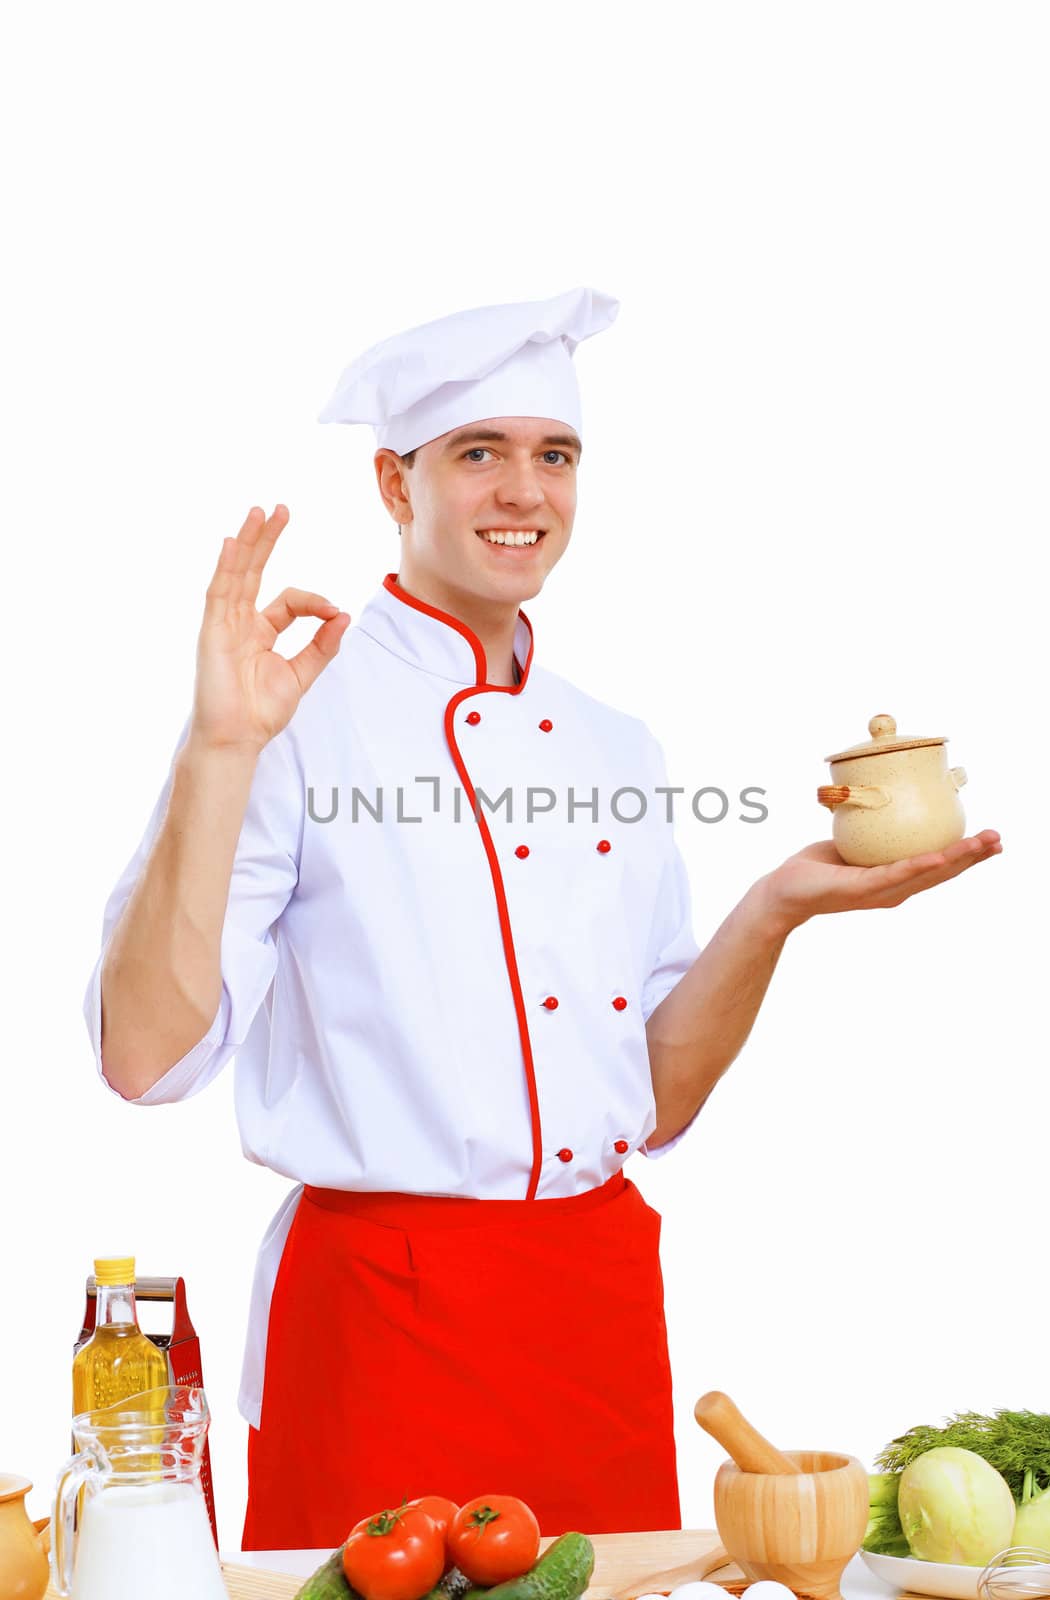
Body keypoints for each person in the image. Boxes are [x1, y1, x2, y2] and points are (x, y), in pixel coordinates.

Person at [84, 287, 1001, 1550]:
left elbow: (654, 1100)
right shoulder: (287, 714)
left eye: (552, 455)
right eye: (478, 454)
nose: (523, 492)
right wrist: (217, 751)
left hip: (595, 1311)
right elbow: (146, 1058)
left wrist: (777, 906)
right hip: (382, 1320)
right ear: (394, 487)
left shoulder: (615, 744)